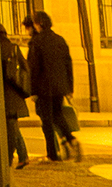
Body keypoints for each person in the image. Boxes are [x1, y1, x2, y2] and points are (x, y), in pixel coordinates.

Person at [27, 10, 77, 164]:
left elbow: (34, 68)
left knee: (47, 121)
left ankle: (52, 154)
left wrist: (32, 90)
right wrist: (69, 87)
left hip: (43, 87)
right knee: (58, 114)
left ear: (39, 24)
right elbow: (68, 64)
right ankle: (70, 138)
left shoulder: (37, 42)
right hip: (59, 86)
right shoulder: (60, 40)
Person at [0, 25, 31, 170]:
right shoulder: (13, 48)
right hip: (15, 92)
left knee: (10, 125)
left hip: (5, 93)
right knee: (11, 125)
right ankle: (22, 156)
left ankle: (8, 159)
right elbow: (25, 67)